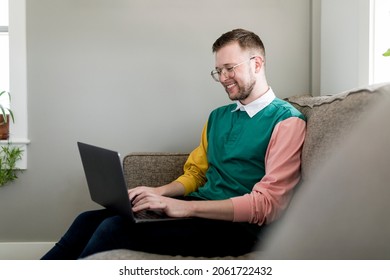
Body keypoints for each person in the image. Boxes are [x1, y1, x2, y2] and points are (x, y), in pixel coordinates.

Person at [41, 28, 306, 259]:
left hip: (240, 227)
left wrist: (186, 207)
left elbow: (268, 205)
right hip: (201, 210)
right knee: (86, 220)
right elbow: (197, 173)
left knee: (113, 229)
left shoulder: (287, 121)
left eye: (230, 69)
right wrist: (160, 192)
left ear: (257, 63)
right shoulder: (218, 117)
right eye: (219, 71)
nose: (223, 78)